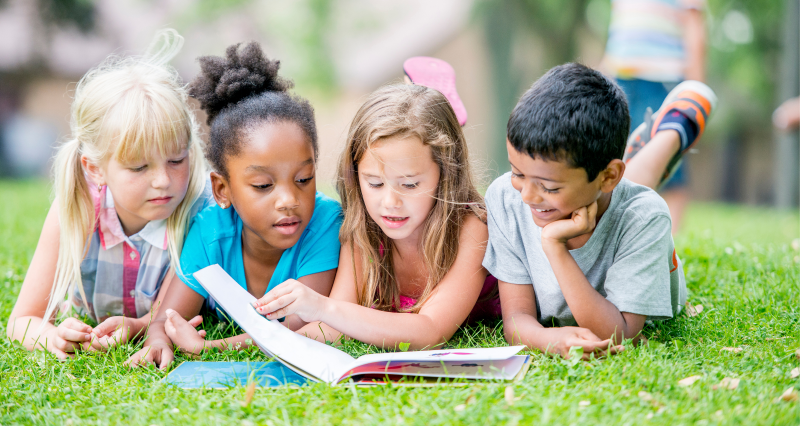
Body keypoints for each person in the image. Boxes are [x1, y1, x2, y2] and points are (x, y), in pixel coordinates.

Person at [126, 42, 343, 369]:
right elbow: (167, 318)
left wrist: (211, 348)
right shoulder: (210, 230)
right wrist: (158, 340)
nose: (288, 200)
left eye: (303, 179)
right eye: (263, 186)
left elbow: (294, 327)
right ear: (222, 189)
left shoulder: (325, 223)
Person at [485, 63, 716, 359]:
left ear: (608, 176)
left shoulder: (644, 217)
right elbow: (516, 319)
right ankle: (638, 150)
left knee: (630, 196)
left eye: (549, 187)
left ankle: (674, 129)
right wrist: (546, 339)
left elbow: (620, 334)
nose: (527, 196)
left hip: (619, 195)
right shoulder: (506, 197)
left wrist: (555, 247)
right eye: (517, 173)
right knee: (623, 185)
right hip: (604, 182)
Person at [7, 30, 211, 359]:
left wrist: (138, 326)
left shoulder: (198, 213)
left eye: (176, 160)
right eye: (139, 167)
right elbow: (22, 321)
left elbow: (166, 319)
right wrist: (53, 337)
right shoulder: (76, 209)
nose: (163, 181)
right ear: (95, 168)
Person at [252, 83, 499, 350]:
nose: (390, 203)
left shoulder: (471, 228)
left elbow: (430, 331)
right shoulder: (364, 229)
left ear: (446, 174)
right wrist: (234, 344)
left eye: (409, 184)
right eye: (375, 183)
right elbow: (334, 326)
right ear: (356, 175)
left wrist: (323, 307)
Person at [601, 0, 708, 233]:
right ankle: (624, 234)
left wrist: (695, 86)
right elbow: (619, 31)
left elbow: (693, 24)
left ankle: (671, 239)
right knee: (622, 156)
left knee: (668, 157)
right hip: (622, 78)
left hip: (662, 77)